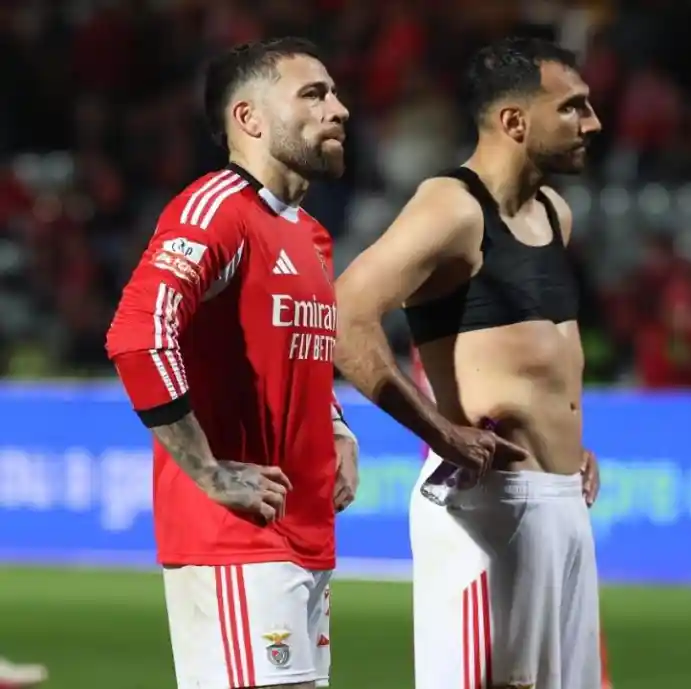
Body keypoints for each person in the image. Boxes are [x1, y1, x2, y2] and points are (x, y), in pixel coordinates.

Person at [332, 37, 604, 689]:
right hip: (489, 508)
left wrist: (568, 445)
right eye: (573, 108)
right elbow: (344, 315)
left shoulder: (553, 214)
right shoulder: (452, 206)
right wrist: (439, 432)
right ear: (514, 121)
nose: (592, 123)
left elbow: (532, 362)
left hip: (561, 505)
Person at [105, 37, 357, 689]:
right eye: (313, 94)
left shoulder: (310, 233)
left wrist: (337, 426)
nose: (340, 109)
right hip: (235, 542)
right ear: (248, 118)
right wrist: (210, 472)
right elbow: (139, 335)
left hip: (303, 535)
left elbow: (301, 355)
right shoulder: (216, 208)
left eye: (333, 92)